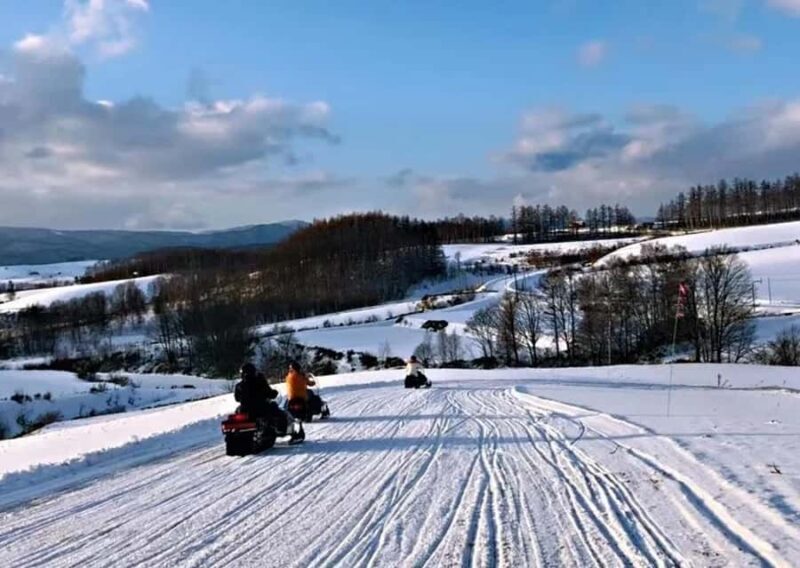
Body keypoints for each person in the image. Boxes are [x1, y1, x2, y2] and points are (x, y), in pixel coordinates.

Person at [235, 363, 289, 431]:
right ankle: (281, 429)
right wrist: (273, 393)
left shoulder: (239, 386)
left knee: (238, 412)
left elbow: (237, 398)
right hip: (261, 408)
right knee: (279, 412)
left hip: (245, 410)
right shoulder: (259, 382)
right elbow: (268, 392)